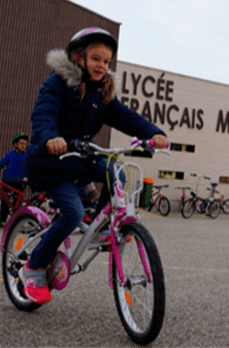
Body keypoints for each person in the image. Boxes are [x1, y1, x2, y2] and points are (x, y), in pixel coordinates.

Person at [22, 27, 168, 304]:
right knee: (73, 213)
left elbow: (126, 117)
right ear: (79, 57)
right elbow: (44, 112)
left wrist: (153, 133)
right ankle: (34, 267)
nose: (101, 65)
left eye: (106, 61)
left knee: (117, 171)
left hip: (79, 160)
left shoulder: (103, 93)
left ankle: (102, 230)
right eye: (95, 59)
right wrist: (51, 137)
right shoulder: (58, 83)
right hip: (51, 162)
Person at [0, 133, 29, 227]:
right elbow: (1, 164)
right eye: (21, 143)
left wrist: (27, 177)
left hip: (19, 182)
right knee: (5, 201)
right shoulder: (10, 154)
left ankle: (15, 220)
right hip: (7, 181)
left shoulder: (27, 157)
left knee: (17, 203)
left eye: (25, 143)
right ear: (15, 144)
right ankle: (2, 220)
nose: (23, 145)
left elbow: (30, 169)